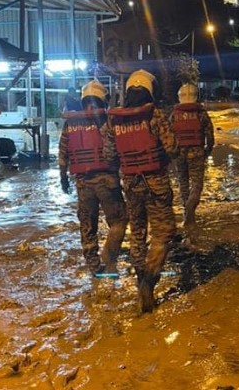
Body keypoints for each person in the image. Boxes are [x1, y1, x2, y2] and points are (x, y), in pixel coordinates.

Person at [102, 69, 180, 313]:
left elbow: (109, 156)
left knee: (137, 232)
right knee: (164, 232)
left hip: (131, 185)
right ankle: (149, 278)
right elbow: (173, 148)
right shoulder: (155, 116)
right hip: (155, 182)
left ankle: (138, 275)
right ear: (150, 91)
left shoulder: (113, 121)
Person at [58, 80, 128, 277]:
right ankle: (109, 259)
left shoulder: (70, 123)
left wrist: (63, 178)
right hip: (107, 183)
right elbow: (114, 151)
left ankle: (94, 269)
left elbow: (62, 153)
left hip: (82, 184)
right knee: (120, 221)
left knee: (87, 226)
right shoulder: (108, 122)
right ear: (103, 99)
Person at [171, 82, 215, 227]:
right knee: (197, 183)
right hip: (196, 151)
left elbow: (167, 135)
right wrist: (207, 150)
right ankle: (191, 207)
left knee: (183, 182)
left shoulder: (174, 115)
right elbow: (210, 135)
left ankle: (186, 210)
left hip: (178, 153)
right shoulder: (201, 113)